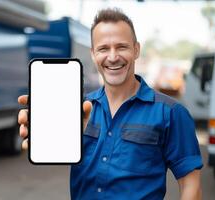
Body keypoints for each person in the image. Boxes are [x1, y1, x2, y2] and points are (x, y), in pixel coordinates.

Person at [18, 8, 203, 200]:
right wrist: (45, 134)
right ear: (93, 54)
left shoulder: (171, 113)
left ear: (136, 49)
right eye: (103, 48)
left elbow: (191, 184)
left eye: (121, 47)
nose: (113, 57)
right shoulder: (79, 109)